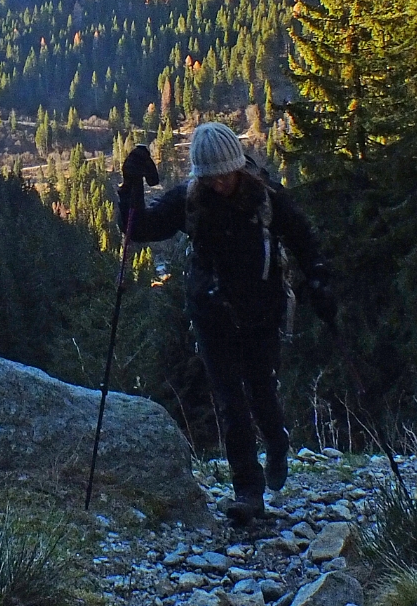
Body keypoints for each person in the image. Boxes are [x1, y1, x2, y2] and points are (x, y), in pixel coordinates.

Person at [118, 121, 336, 524]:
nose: (219, 183)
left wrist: (318, 279)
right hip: (212, 314)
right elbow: (139, 228)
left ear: (238, 166)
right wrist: (130, 186)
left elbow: (302, 236)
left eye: (225, 174)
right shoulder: (190, 200)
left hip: (262, 311)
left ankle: (276, 440)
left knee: (261, 389)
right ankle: (247, 492)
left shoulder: (267, 198)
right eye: (210, 176)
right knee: (230, 402)